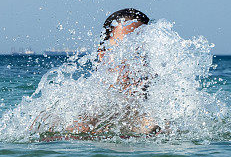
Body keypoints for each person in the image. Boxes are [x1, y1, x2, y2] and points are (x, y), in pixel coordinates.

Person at [64, 8, 161, 136]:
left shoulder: (163, 102)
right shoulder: (87, 105)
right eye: (125, 51)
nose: (136, 63)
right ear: (102, 55)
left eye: (142, 52)